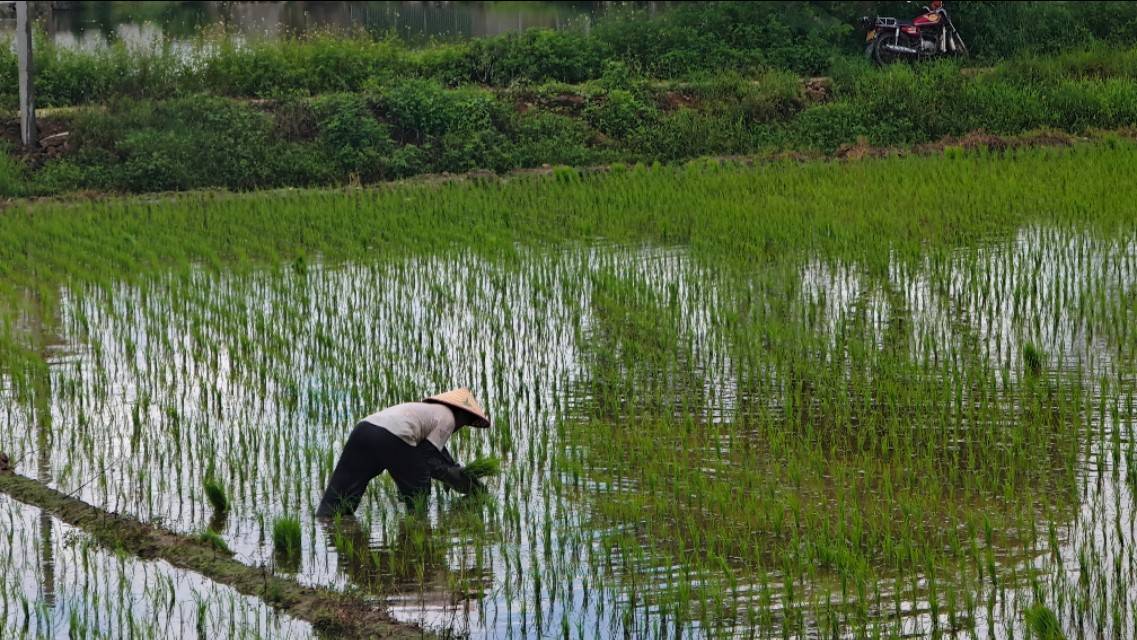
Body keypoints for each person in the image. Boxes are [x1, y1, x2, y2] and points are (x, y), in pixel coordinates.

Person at [316, 387, 490, 517]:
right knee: (419, 485)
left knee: (343, 491)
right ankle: (417, 530)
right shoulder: (449, 418)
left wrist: (451, 468)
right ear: (461, 413)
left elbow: (438, 453)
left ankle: (329, 525)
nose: (461, 426)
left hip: (363, 430)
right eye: (465, 421)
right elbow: (427, 457)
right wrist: (457, 478)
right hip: (393, 437)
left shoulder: (428, 411)